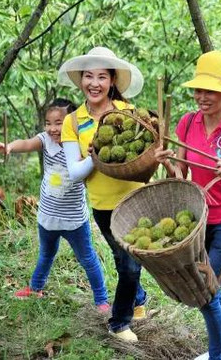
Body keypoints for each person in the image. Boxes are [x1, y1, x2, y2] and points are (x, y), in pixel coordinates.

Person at [155, 51, 221, 360]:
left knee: (204, 288)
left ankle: (218, 355)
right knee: (209, 285)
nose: (201, 97)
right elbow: (182, 178)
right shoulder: (188, 124)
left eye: (209, 90)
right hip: (197, 220)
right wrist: (168, 164)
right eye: (198, 90)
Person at [58, 47, 148, 342]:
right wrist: (94, 155)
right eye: (88, 76)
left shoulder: (128, 113)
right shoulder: (72, 122)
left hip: (135, 197)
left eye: (101, 77)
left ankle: (120, 320)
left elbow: (141, 153)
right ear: (81, 81)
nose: (94, 83)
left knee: (130, 261)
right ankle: (132, 305)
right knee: (124, 258)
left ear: (111, 81)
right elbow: (75, 172)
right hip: (104, 204)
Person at [0, 98, 109, 312]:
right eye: (48, 122)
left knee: (88, 259)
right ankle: (36, 288)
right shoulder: (46, 140)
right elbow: (25, 144)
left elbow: (94, 165)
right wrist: (8, 147)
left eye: (59, 122)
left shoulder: (81, 144)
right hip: (47, 216)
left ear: (71, 123)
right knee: (46, 254)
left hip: (73, 220)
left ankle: (101, 300)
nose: (53, 128)